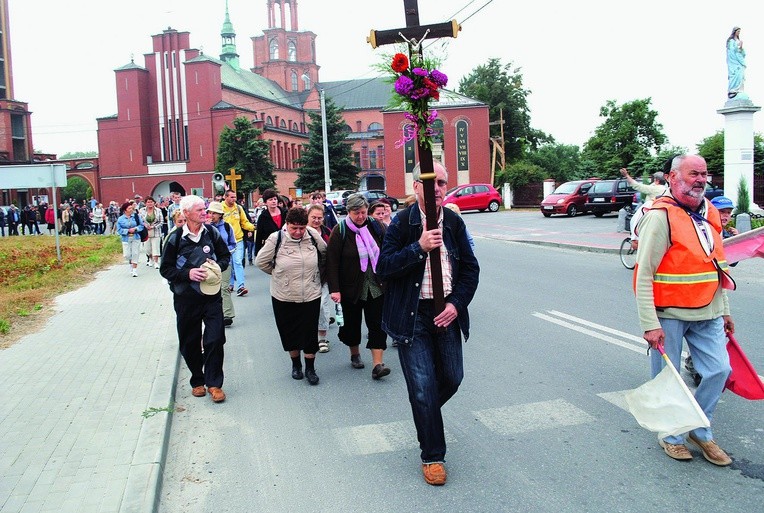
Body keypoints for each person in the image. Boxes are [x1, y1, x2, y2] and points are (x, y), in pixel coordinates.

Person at [377, 161, 480, 486]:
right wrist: (418, 248)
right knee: (422, 387)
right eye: (429, 182)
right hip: (413, 317)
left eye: (442, 182)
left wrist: (456, 304)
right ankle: (433, 455)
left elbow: (470, 270)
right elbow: (384, 267)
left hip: (446, 313)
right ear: (416, 186)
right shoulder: (402, 223)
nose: (436, 188)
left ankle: (424, 412)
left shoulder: (453, 222)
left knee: (452, 377)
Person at [633, 154, 735, 466]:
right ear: (674, 177)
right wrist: (650, 323)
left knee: (720, 370)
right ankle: (672, 435)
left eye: (704, 174)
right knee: (670, 378)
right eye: (694, 174)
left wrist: (725, 309)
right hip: (670, 313)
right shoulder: (660, 216)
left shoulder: (710, 212)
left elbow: (717, 264)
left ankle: (699, 429)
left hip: (709, 309)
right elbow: (644, 273)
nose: (701, 179)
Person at [160, 195, 230, 403]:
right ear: (186, 213)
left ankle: (215, 384)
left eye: (204, 209)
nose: (204, 212)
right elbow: (165, 269)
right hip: (186, 298)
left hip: (211, 297)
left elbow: (225, 257)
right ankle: (197, 380)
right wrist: (187, 274)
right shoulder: (174, 238)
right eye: (199, 210)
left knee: (215, 338)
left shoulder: (212, 233)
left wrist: (217, 267)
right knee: (189, 341)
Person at [255, 207, 327, 385]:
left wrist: (317, 276)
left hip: (310, 293)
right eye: (294, 228)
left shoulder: (311, 235)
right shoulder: (276, 238)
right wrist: (278, 274)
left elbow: (325, 253)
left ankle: (310, 368)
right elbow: (261, 261)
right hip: (284, 295)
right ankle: (296, 365)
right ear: (286, 225)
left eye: (301, 228)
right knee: (290, 332)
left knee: (310, 333)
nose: (298, 232)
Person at [326, 193, 390, 379]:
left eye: (363, 212)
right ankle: (355, 354)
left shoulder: (376, 226)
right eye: (356, 213)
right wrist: (335, 289)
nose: (361, 216)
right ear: (348, 212)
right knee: (351, 325)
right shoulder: (340, 231)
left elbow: (387, 251)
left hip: (376, 286)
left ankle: (378, 365)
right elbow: (332, 263)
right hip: (350, 288)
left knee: (377, 325)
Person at [684, 194, 739, 386]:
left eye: (728, 212)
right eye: (721, 212)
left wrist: (735, 240)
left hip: (715, 293)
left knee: (711, 345)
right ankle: (694, 363)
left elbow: (728, 263)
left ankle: (699, 365)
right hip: (691, 296)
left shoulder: (724, 232)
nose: (725, 216)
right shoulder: (701, 229)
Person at [307, 203, 334, 353]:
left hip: (323, 275)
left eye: (319, 218)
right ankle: (309, 335)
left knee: (323, 306)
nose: (317, 220)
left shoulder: (327, 232)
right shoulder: (301, 232)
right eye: (313, 217)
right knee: (308, 308)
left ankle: (322, 338)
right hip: (305, 277)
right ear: (307, 217)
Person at [206, 201, 237, 327]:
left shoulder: (227, 227)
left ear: (220, 215)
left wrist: (225, 252)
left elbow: (233, 243)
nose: (211, 215)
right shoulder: (204, 227)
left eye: (215, 213)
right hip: (208, 263)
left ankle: (227, 315)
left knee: (224, 287)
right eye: (210, 212)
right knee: (212, 289)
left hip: (224, 262)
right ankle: (213, 314)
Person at [221, 190, 255, 297]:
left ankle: (241, 286)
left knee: (237, 261)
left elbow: (244, 222)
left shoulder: (239, 208)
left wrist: (252, 227)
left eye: (234, 197)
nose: (233, 199)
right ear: (225, 197)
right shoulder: (220, 208)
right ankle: (230, 284)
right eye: (231, 197)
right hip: (224, 242)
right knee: (229, 263)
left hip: (238, 240)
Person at [116, 202, 146, 277]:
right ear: (125, 210)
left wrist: (135, 229)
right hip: (126, 238)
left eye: (131, 208)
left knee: (135, 253)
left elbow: (141, 226)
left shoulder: (136, 216)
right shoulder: (120, 219)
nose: (131, 209)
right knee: (127, 255)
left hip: (136, 237)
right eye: (129, 208)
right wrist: (127, 231)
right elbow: (119, 230)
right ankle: (131, 263)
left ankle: (134, 269)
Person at [255, 189, 286, 256]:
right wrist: (257, 252)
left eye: (275, 199)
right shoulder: (263, 217)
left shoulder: (285, 213)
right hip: (270, 247)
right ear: (265, 202)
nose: (273, 201)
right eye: (270, 200)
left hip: (285, 246)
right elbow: (259, 235)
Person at [139, 196, 164, 269]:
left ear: (154, 203)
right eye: (148, 202)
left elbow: (161, 221)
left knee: (155, 247)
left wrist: (154, 226)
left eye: (151, 202)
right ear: (145, 203)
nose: (150, 204)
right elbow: (140, 221)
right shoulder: (142, 210)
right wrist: (145, 225)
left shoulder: (158, 210)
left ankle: (156, 262)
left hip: (156, 232)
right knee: (148, 248)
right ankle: (150, 259)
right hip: (146, 232)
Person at [726, 27, 746, 99]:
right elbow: (731, 51)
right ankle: (732, 90)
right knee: (735, 74)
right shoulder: (731, 41)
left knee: (740, 75)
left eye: (739, 32)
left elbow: (743, 53)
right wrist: (738, 48)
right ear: (734, 32)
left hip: (739, 61)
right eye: (738, 31)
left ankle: (739, 90)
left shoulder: (738, 40)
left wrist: (741, 48)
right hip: (734, 62)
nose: (738, 33)